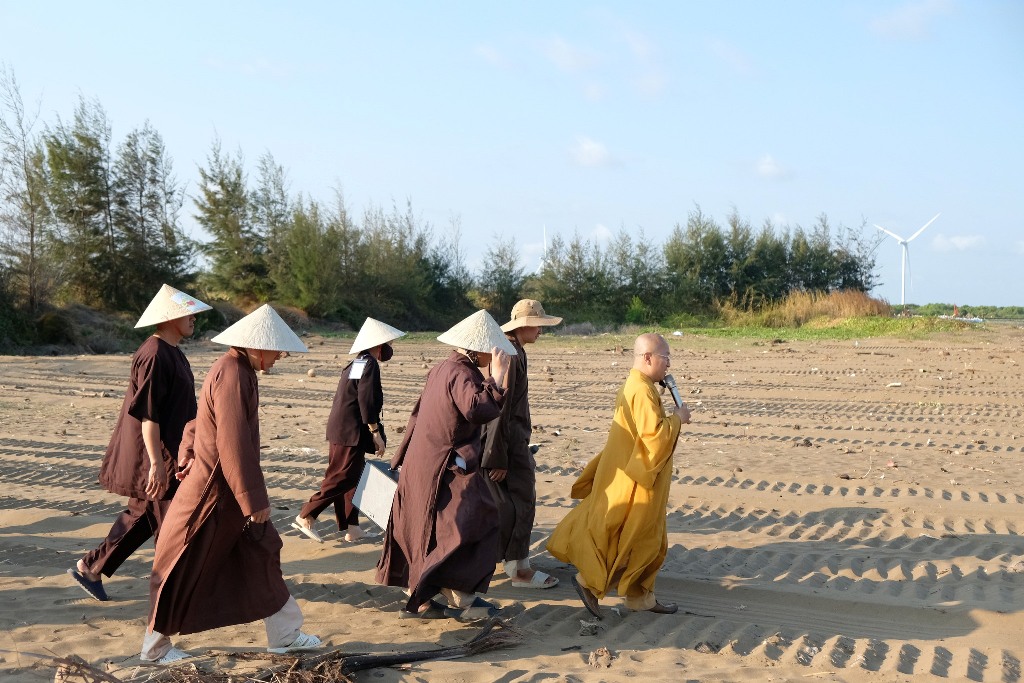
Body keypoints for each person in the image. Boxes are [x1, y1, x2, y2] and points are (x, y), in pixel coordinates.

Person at [140, 305, 322, 663]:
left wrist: (187, 453)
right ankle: (154, 649)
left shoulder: (235, 369)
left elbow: (196, 423)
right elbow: (233, 441)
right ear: (256, 346)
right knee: (180, 564)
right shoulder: (234, 373)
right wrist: (253, 500)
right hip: (213, 497)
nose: (281, 356)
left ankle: (285, 634)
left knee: (261, 554)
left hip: (223, 493)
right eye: (278, 349)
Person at [68, 284, 211, 602]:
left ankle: (90, 567)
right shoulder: (154, 353)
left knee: (143, 515)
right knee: (174, 524)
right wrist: (157, 465)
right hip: (158, 456)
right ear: (171, 316)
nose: (194, 319)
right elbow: (148, 416)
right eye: (189, 313)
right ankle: (174, 591)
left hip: (172, 453)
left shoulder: (172, 351)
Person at [376, 310, 514, 621]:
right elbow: (477, 410)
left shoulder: (442, 368)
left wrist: (402, 458)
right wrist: (498, 379)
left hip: (426, 464)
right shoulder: (461, 372)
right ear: (476, 348)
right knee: (472, 523)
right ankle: (463, 598)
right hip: (444, 467)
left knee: (429, 528)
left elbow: (415, 416)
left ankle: (424, 599)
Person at [547, 333, 691, 618]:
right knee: (634, 537)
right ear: (648, 357)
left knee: (646, 538)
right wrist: (678, 419)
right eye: (665, 358)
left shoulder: (641, 385)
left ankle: (641, 597)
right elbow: (653, 437)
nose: (669, 365)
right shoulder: (641, 390)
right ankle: (588, 583)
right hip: (638, 478)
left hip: (636, 472)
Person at [293, 318, 406, 543]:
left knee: (353, 477)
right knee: (342, 476)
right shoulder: (370, 364)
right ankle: (308, 515)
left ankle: (352, 528)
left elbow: (351, 398)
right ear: (379, 344)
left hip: (341, 429)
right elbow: (366, 401)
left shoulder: (357, 363)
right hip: (350, 432)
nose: (390, 346)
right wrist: (375, 433)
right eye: (389, 342)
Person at [481, 299, 562, 589]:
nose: (541, 331)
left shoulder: (515, 350)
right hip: (508, 442)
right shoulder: (511, 355)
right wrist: (497, 456)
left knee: (512, 503)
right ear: (524, 325)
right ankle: (518, 571)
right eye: (538, 325)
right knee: (521, 502)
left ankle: (515, 562)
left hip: (511, 440)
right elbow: (498, 409)